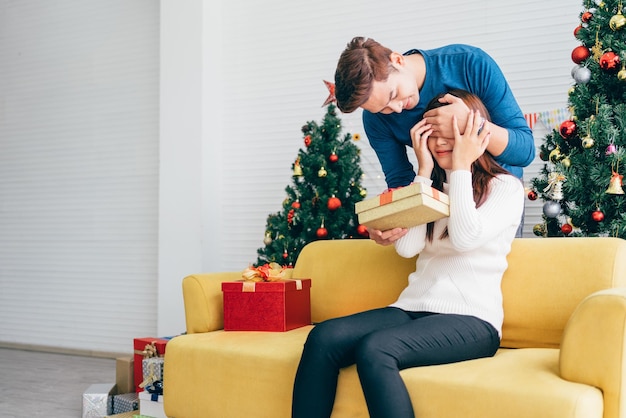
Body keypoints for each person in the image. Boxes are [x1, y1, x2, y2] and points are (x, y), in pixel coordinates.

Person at [291, 90, 524, 418]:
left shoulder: (505, 188)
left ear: (473, 134)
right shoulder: (431, 189)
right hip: (413, 307)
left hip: (473, 320)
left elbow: (465, 237)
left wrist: (460, 167)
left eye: (449, 134)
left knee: (376, 349)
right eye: (433, 136)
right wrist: (423, 173)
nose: (441, 143)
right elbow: (407, 246)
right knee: (323, 337)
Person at [334, 36, 533, 243]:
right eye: (383, 108)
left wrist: (471, 123)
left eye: (394, 95)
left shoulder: (469, 63)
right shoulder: (376, 120)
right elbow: (400, 182)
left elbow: (524, 151)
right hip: (440, 202)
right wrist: (387, 223)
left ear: (398, 60)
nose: (396, 109)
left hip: (496, 194)